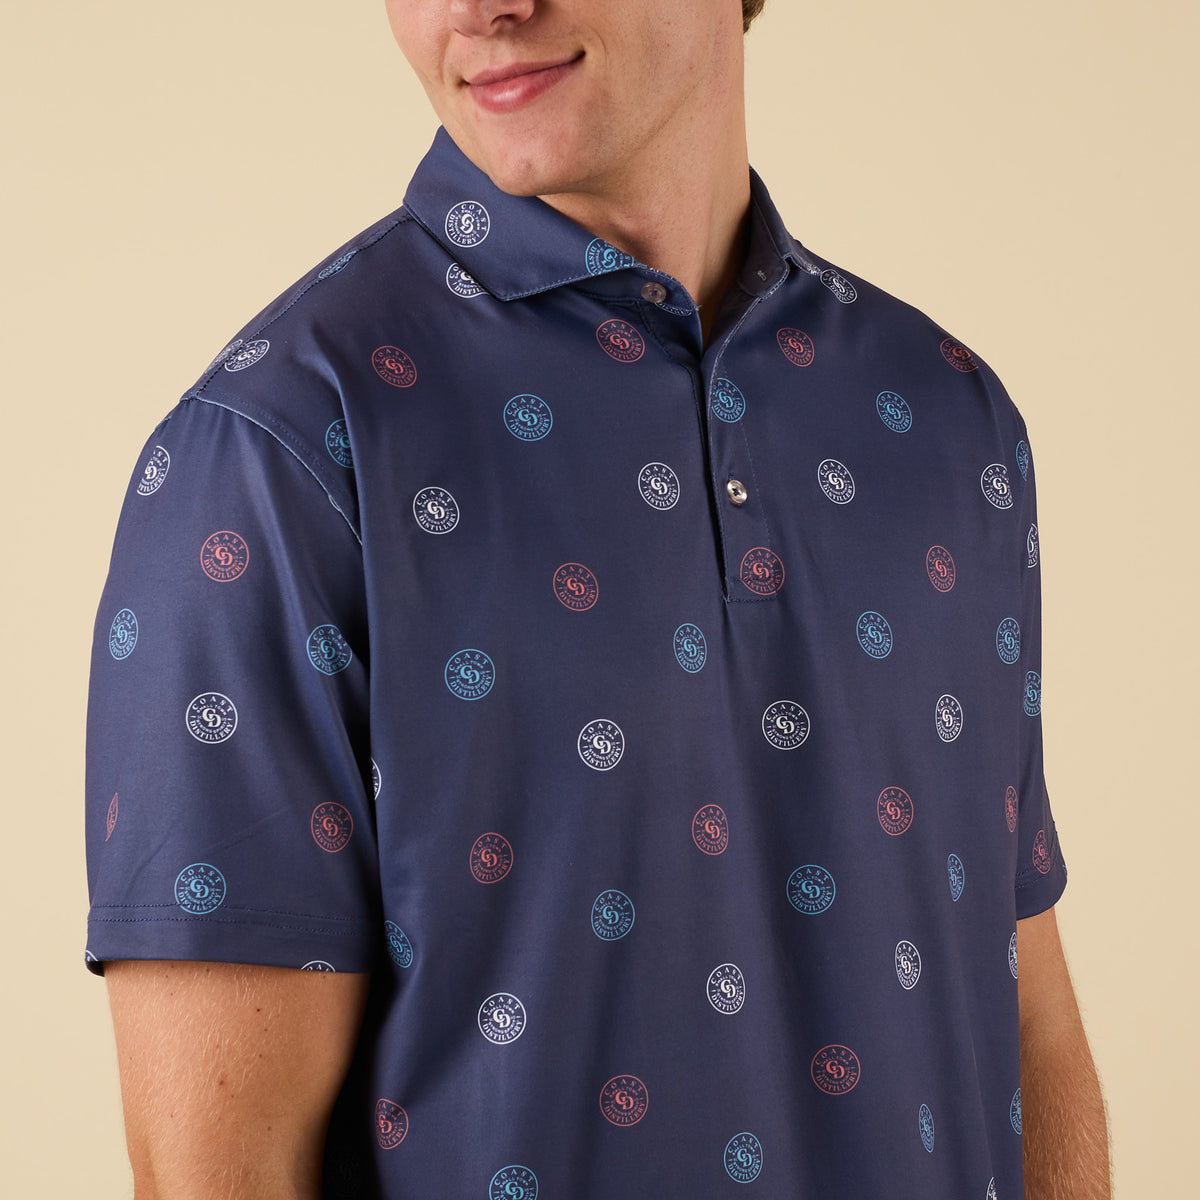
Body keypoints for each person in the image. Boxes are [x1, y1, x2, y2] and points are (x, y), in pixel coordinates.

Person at [85, 2, 1110, 1196]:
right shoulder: (275, 458)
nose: (481, 7)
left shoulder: (947, 419)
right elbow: (221, 1171)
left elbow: (1025, 1021)